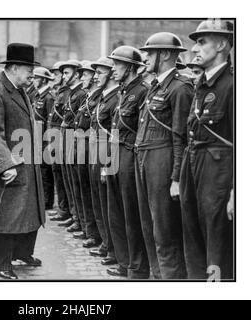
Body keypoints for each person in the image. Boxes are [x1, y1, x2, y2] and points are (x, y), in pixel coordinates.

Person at [0, 43, 45, 280]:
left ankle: (23, 253)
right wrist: (5, 165)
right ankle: (1, 263)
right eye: (28, 69)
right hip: (8, 167)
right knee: (6, 215)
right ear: (14, 68)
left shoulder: (17, 88)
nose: (32, 74)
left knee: (28, 212)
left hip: (25, 163)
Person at [135, 32, 194, 279]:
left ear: (166, 54)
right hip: (144, 158)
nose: (146, 58)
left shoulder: (180, 88)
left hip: (163, 160)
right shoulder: (155, 86)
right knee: (148, 225)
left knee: (164, 230)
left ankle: (171, 281)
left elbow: (181, 137)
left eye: (150, 53)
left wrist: (177, 177)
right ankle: (156, 276)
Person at [180, 19, 234, 280]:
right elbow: (190, 133)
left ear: (222, 44)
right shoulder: (201, 84)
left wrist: (237, 190)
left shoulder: (233, 86)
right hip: (194, 166)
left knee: (216, 239)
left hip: (219, 172)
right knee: (192, 234)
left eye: (202, 42)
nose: (194, 49)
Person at [106, 46, 150, 278]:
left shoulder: (142, 90)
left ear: (131, 67)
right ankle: (124, 262)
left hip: (131, 154)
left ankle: (137, 266)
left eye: (118, 65)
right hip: (116, 152)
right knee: (116, 211)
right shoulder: (124, 91)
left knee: (131, 212)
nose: (114, 70)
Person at [88, 57, 119, 262]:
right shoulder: (102, 96)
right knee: (98, 200)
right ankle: (104, 241)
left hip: (107, 150)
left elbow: (114, 134)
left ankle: (112, 248)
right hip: (94, 149)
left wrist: (107, 163)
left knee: (109, 203)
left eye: (100, 72)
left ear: (110, 74)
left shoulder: (116, 97)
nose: (95, 76)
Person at [72, 61, 102, 244]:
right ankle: (86, 227)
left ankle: (93, 232)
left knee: (90, 192)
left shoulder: (98, 96)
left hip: (91, 145)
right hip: (81, 143)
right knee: (81, 188)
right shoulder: (90, 96)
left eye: (86, 74)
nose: (82, 77)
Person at [59, 60, 88, 241]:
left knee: (78, 184)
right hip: (67, 137)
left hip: (76, 139)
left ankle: (80, 220)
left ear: (76, 74)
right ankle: (75, 216)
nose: (63, 77)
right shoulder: (72, 93)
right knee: (70, 182)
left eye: (67, 73)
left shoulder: (81, 94)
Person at [47, 61, 72, 221]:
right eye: (57, 73)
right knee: (58, 172)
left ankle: (66, 210)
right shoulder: (60, 91)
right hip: (55, 134)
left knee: (64, 176)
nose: (57, 76)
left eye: (59, 73)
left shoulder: (68, 92)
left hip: (64, 136)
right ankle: (63, 208)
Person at [32, 66, 56, 210]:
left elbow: (50, 121)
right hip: (37, 137)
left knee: (46, 172)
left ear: (44, 79)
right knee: (40, 170)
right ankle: (42, 199)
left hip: (45, 139)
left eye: (36, 78)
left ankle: (47, 201)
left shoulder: (49, 97)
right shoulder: (38, 95)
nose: (34, 80)